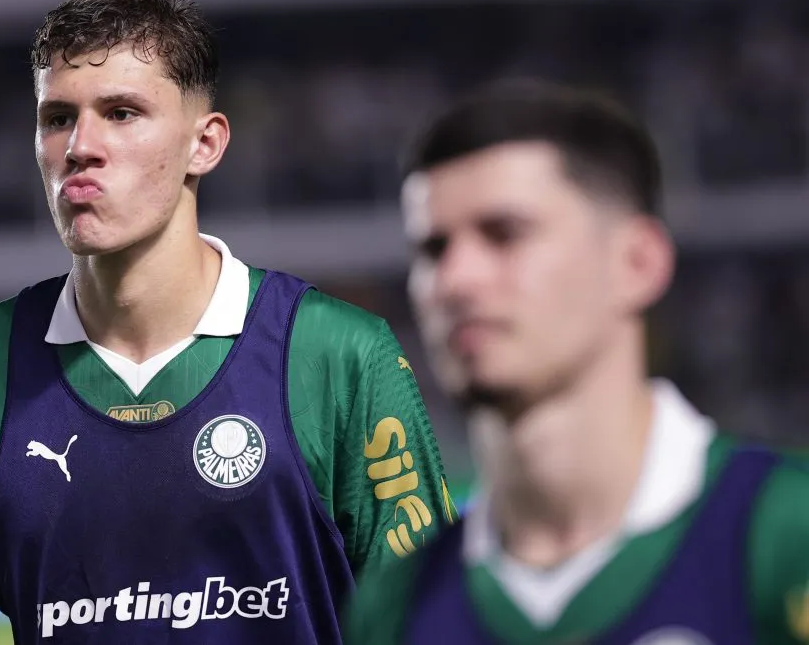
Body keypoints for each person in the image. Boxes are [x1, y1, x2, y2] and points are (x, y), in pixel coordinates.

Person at [0, 0, 455, 645]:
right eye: (58, 117)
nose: (80, 146)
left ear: (204, 144)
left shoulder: (342, 354)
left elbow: (435, 624)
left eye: (122, 112)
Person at [344, 80, 809, 644]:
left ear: (637, 263)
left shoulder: (789, 536)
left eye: (504, 234)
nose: (456, 280)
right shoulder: (393, 608)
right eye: (433, 249)